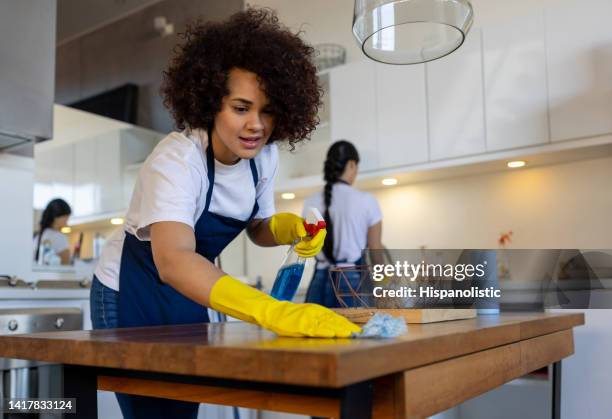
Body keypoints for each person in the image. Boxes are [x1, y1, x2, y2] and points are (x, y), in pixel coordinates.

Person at [90, 9, 360, 419]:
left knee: (184, 408)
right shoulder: (178, 159)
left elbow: (257, 227)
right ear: (210, 102)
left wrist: (289, 228)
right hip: (131, 290)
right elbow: (174, 259)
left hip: (187, 291)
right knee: (155, 412)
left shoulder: (262, 157)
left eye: (267, 110)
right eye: (241, 108)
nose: (256, 125)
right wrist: (272, 311)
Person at [303, 140, 385, 308]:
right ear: (352, 164)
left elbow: (308, 246)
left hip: (320, 278)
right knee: (355, 332)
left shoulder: (310, 201)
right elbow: (375, 248)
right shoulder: (367, 201)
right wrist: (384, 281)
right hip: (352, 279)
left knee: (316, 331)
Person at [33, 198, 72, 265]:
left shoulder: (38, 236)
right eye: (66, 217)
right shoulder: (59, 237)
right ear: (57, 217)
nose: (67, 220)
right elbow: (66, 262)